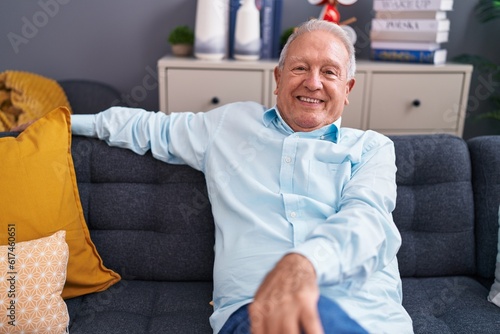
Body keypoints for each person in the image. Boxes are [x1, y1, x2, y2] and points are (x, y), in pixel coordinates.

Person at [17, 19, 413, 333]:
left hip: (363, 316)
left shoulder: (372, 149)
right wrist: (57, 124)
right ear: (277, 79)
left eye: (329, 72)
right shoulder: (228, 126)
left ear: (348, 88)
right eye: (300, 68)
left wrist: (304, 262)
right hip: (257, 312)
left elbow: (368, 220)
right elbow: (145, 127)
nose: (313, 82)